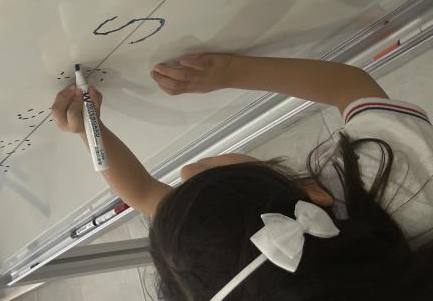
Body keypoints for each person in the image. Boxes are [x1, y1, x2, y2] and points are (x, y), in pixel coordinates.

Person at [50, 54, 433, 300]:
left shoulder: (243, 269)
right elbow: (350, 85)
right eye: (207, 173)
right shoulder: (398, 177)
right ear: (313, 194)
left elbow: (146, 193)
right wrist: (235, 70)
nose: (186, 170)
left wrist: (90, 132)